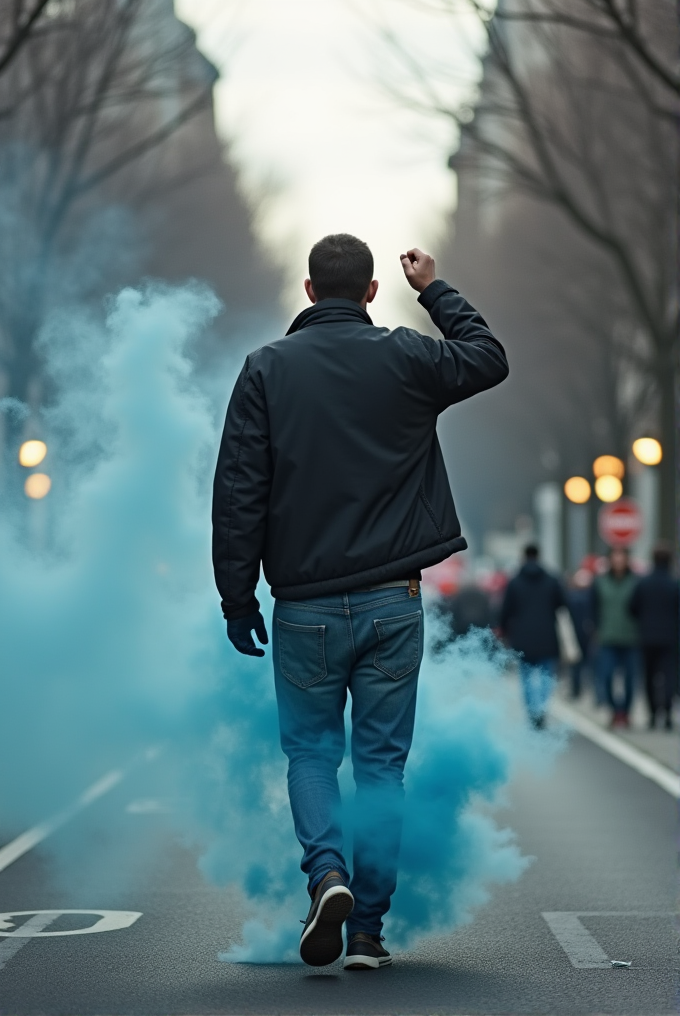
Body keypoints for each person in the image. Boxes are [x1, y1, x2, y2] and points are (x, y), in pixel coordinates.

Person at [212, 235, 508, 970]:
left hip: (304, 605)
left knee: (311, 752)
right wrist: (435, 289)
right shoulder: (407, 357)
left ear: (308, 291)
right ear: (372, 291)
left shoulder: (266, 369)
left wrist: (236, 596)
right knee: (381, 768)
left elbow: (239, 491)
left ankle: (327, 876)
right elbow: (488, 357)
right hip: (392, 601)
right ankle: (369, 932)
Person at [500, 545, 566, 728]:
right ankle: (542, 708)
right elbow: (562, 605)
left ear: (523, 556)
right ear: (539, 556)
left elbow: (506, 611)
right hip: (547, 636)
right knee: (546, 674)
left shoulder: (514, 582)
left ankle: (532, 710)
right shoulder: (552, 580)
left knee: (526, 676)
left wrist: (504, 632)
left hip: (523, 637)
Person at [630, 542, 679, 730]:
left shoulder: (643, 583)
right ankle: (667, 713)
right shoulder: (674, 584)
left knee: (649, 676)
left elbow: (632, 607)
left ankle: (652, 714)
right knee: (668, 676)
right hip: (669, 637)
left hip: (646, 636)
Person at [592, 547, 639, 728]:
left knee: (630, 678)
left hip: (631, 637)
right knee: (607, 676)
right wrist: (594, 629)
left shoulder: (635, 582)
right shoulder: (601, 582)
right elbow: (594, 607)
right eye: (615, 557)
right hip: (607, 636)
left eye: (622, 557)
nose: (618, 561)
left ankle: (625, 712)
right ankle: (614, 709)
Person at [565, 569, 595, 699]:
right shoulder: (586, 596)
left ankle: (577, 689)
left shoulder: (572, 595)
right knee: (584, 663)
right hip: (584, 632)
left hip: (579, 632)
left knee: (577, 663)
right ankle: (582, 688)